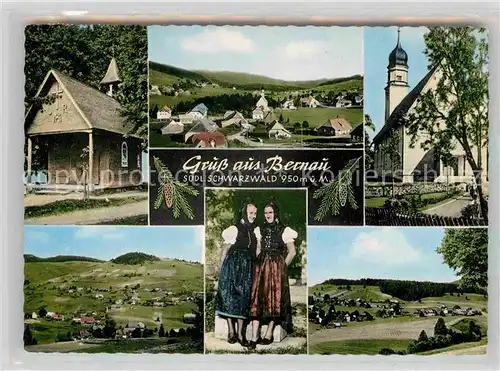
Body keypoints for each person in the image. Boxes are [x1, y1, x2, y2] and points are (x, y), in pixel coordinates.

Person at [248, 200, 297, 349]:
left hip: (276, 269)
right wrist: (258, 264)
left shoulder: (284, 230)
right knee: (257, 298)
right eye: (265, 213)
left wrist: (281, 268)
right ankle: (254, 336)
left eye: (270, 212)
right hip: (261, 267)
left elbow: (292, 252)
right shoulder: (259, 229)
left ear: (275, 213)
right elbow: (258, 249)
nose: (268, 215)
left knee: (273, 300)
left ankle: (269, 333)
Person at [214, 200, 258, 346]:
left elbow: (256, 251)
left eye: (255, 213)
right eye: (250, 213)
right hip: (232, 266)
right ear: (244, 213)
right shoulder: (234, 228)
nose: (253, 216)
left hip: (247, 268)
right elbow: (225, 249)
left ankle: (241, 334)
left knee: (244, 298)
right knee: (229, 297)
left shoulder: (254, 230)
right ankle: (231, 332)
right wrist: (220, 269)